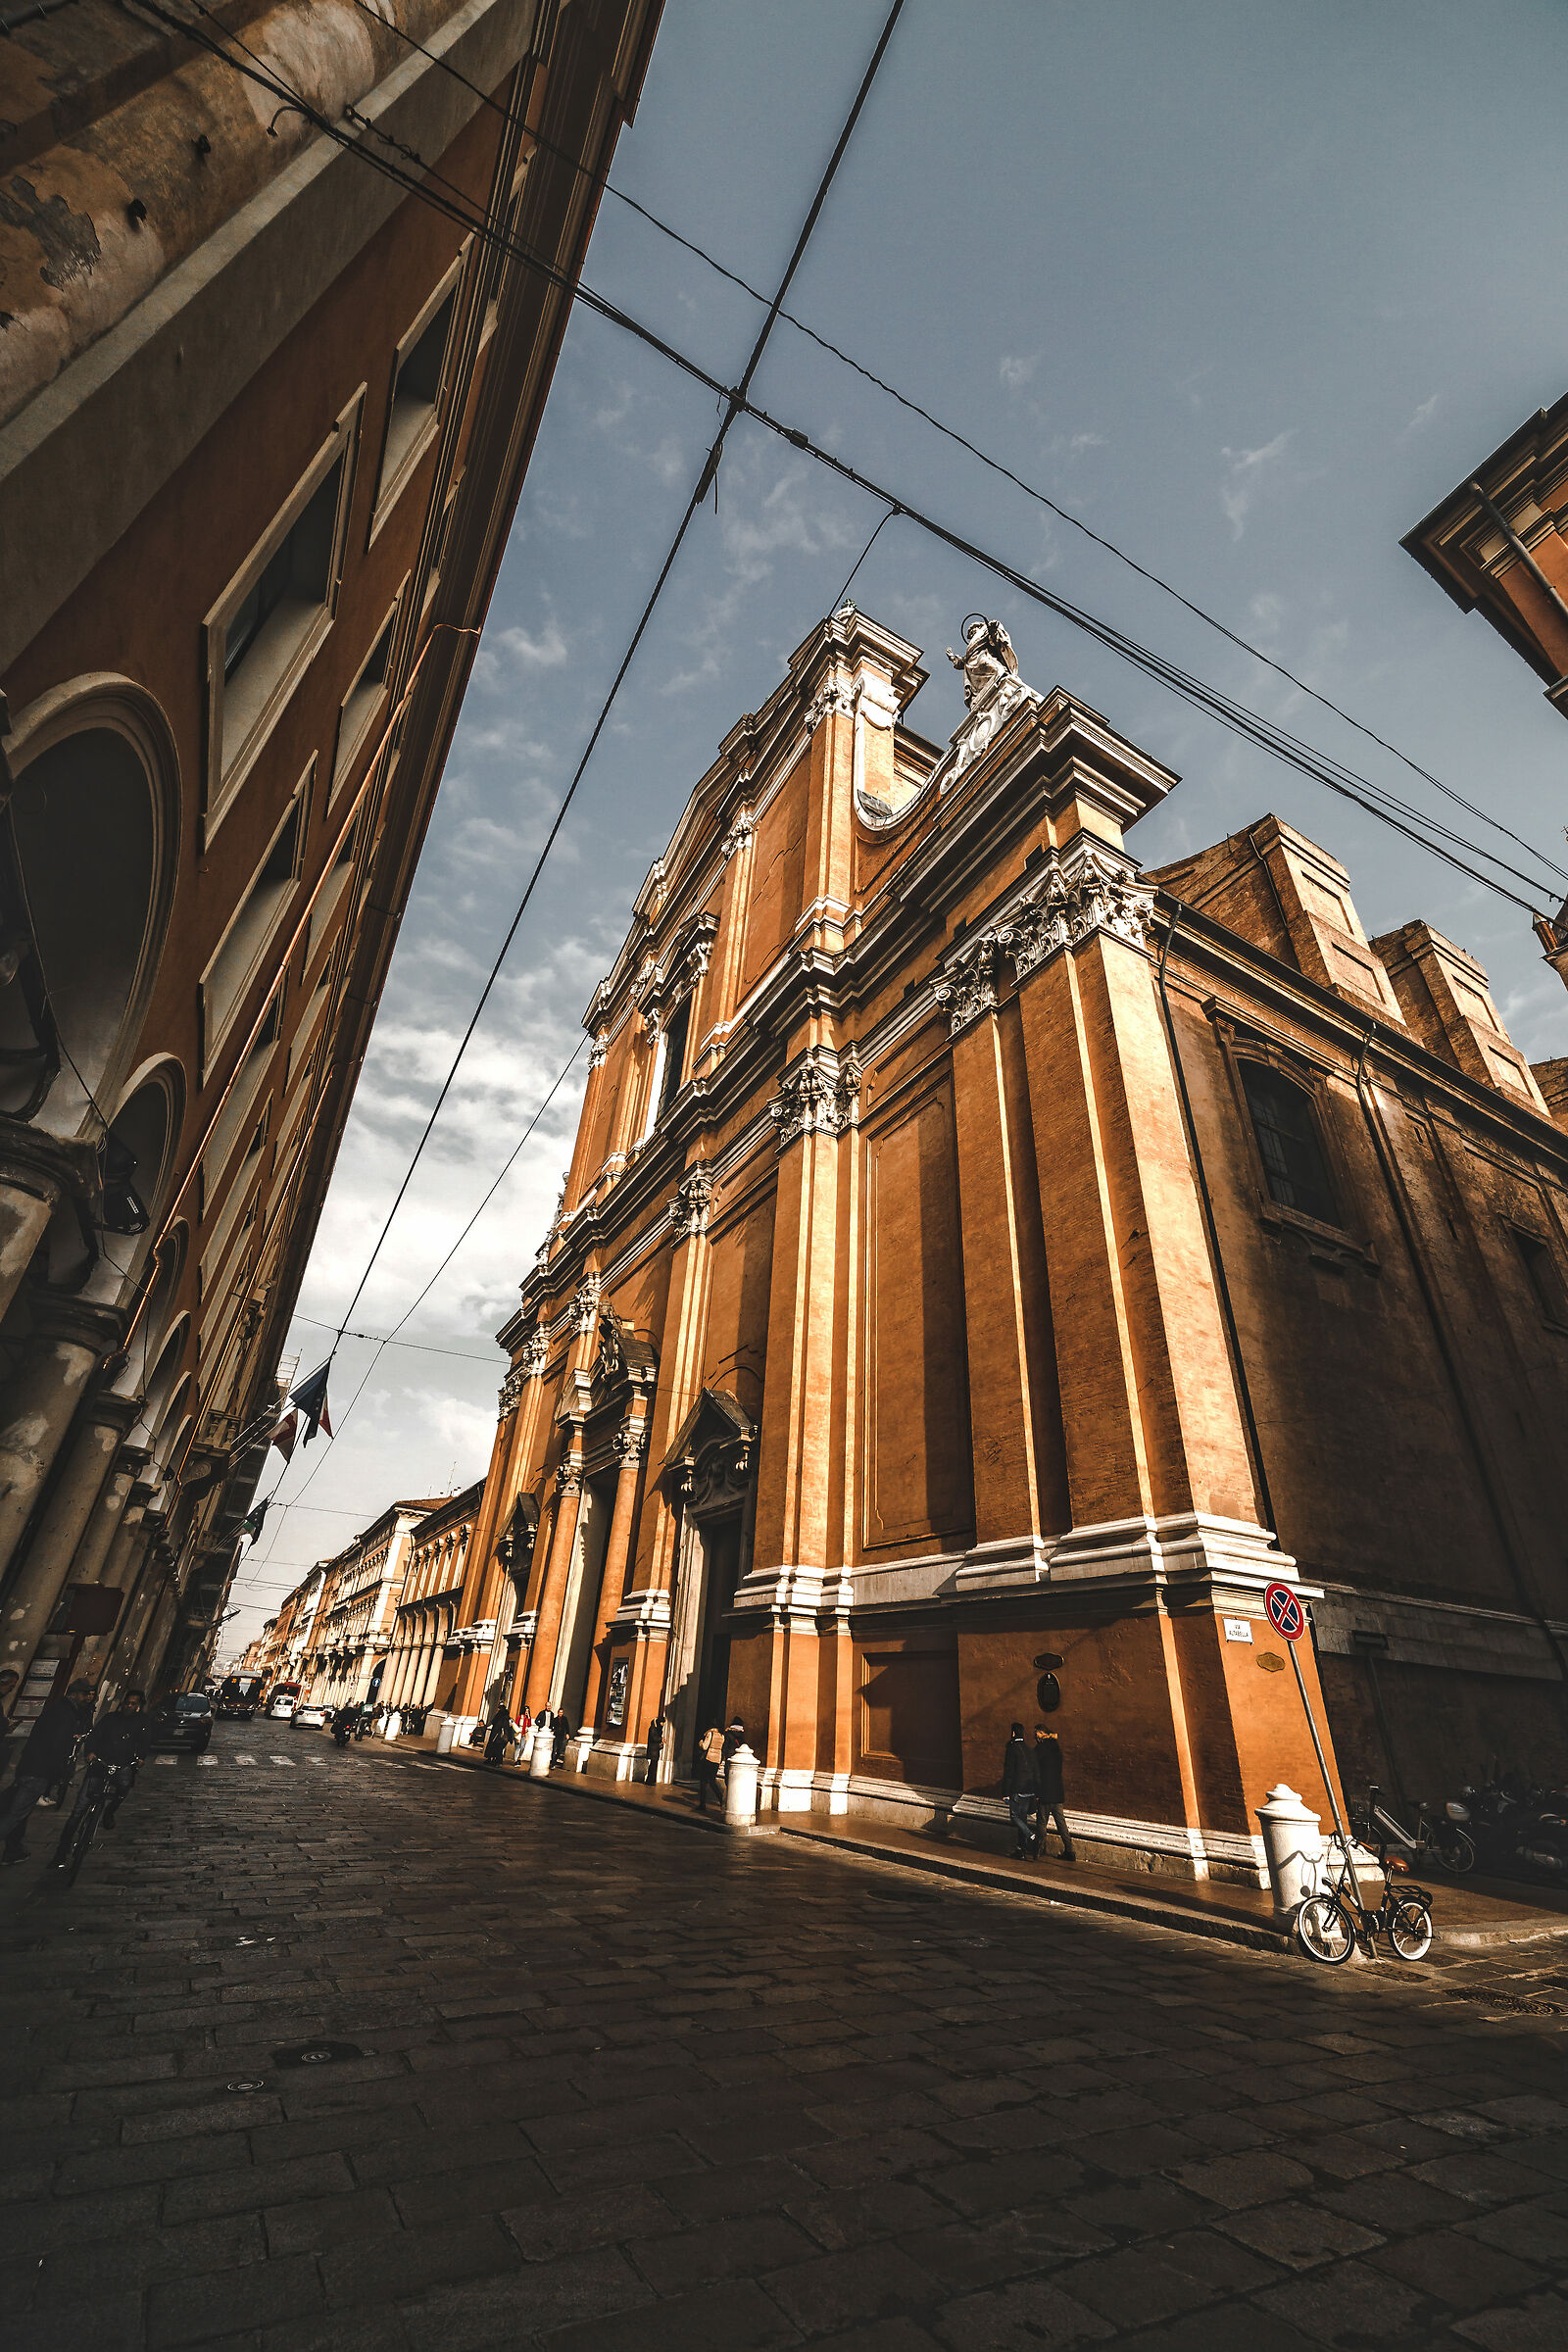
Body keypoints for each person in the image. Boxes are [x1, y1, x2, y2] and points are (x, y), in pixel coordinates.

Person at [1, 1680, 92, 1864]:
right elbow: (56, 1746)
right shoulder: (66, 1713)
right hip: (38, 1771)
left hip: (30, 1767)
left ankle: (13, 1850)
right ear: (73, 1694)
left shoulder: (60, 1709)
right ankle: (12, 1850)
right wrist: (57, 1773)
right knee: (16, 1814)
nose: (87, 1698)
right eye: (84, 1694)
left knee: (19, 1812)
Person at [52, 1691, 146, 1860]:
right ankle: (61, 1850)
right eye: (127, 1703)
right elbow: (95, 1736)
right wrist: (90, 1752)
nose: (129, 1706)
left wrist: (140, 1758)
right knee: (79, 1809)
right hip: (101, 1764)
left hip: (123, 1765)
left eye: (133, 1704)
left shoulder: (142, 1722)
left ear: (139, 1706)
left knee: (122, 1790)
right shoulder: (110, 1718)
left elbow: (145, 1741)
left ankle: (109, 1811)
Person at [1033, 1726, 1076, 1862]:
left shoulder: (1039, 1749)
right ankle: (1070, 1850)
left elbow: (1035, 1771)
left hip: (1044, 1792)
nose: (1035, 1735)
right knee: (1061, 1823)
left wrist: (1036, 1792)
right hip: (1057, 1793)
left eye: (1037, 1733)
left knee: (1041, 1822)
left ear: (1042, 1734)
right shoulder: (1057, 1749)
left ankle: (1038, 1850)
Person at [1001, 1721, 1038, 1858]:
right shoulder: (1029, 1749)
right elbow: (1035, 1771)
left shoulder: (1012, 1749)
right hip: (1029, 1790)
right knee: (1022, 1819)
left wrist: (1005, 1793)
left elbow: (1009, 1773)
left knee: (1014, 1816)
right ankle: (1021, 1849)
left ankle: (1032, 1837)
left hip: (1017, 1790)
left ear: (1013, 1733)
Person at [697, 1722, 724, 1812]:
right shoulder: (722, 1736)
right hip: (717, 1760)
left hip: (708, 1759)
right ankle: (721, 1799)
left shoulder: (710, 1734)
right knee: (712, 1782)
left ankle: (702, 1804)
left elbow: (705, 1747)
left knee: (703, 1782)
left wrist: (700, 1743)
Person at [644, 1710, 664, 1786]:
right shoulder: (652, 1728)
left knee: (654, 1765)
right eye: (662, 1722)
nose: (663, 1724)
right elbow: (653, 1738)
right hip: (653, 1750)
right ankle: (650, 1780)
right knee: (652, 1765)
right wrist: (661, 1739)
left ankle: (652, 1780)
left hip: (655, 1750)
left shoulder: (658, 1729)